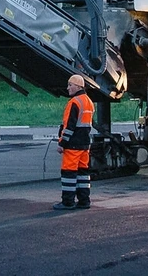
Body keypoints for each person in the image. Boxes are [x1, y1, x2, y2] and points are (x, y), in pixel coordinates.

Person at [54, 74, 95, 210]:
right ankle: (84, 201)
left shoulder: (74, 102)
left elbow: (69, 127)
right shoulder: (88, 101)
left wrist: (62, 143)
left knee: (68, 174)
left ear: (77, 86)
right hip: (84, 145)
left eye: (70, 85)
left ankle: (68, 202)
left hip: (72, 145)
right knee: (83, 174)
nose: (68, 88)